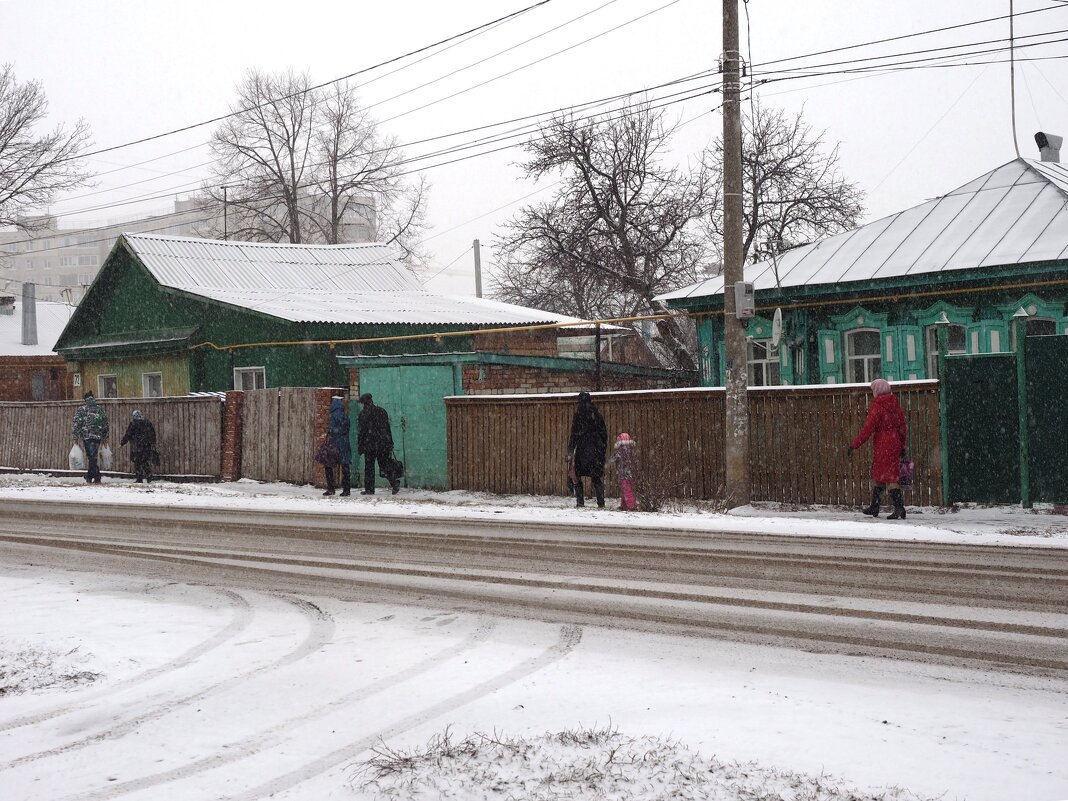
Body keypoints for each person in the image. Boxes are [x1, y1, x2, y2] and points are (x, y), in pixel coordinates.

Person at [849, 378, 909, 520]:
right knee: (882, 474)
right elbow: (903, 427)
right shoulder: (895, 404)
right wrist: (902, 445)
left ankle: (898, 508)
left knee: (888, 476)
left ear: (877, 391)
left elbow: (868, 429)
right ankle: (875, 507)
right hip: (894, 443)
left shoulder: (877, 406)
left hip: (883, 444)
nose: (873, 394)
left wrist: (854, 445)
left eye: (873, 391)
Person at [567, 391, 607, 508]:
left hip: (582, 449)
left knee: (577, 475)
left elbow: (574, 434)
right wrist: (602, 448)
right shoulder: (597, 415)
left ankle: (580, 501)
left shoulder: (578, 415)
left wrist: (571, 449)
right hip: (596, 450)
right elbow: (604, 433)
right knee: (596, 477)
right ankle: (601, 502)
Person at [357, 393, 398, 495]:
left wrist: (360, 444)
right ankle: (394, 483)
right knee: (384, 465)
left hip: (369, 445)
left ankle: (369, 489)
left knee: (369, 467)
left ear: (364, 403)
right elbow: (387, 428)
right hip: (382, 444)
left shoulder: (363, 414)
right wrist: (390, 442)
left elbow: (362, 432)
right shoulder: (381, 411)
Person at [72, 391, 110, 484]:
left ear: (85, 399)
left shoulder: (82, 409)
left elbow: (77, 423)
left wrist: (75, 437)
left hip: (87, 436)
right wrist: (105, 437)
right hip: (97, 436)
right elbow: (105, 423)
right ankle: (93, 476)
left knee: (92, 457)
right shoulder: (99, 409)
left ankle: (92, 476)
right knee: (92, 457)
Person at [324, 396, 351, 497]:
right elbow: (347, 428)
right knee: (345, 467)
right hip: (345, 443)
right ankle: (346, 490)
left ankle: (331, 488)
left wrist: (331, 432)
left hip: (334, 444)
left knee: (328, 466)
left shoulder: (333, 416)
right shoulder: (345, 415)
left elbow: (332, 430)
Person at [120, 410, 156, 483]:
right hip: (146, 446)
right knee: (144, 461)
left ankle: (139, 478)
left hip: (137, 446)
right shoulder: (147, 423)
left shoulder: (133, 424)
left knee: (137, 462)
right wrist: (152, 443)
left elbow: (128, 434)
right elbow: (153, 434)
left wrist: (122, 443)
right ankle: (149, 475)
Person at [608, 432, 639, 511]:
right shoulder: (632, 450)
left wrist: (606, 461)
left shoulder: (620, 451)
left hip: (623, 474)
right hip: (631, 473)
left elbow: (613, 459)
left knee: (626, 490)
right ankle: (625, 505)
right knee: (628, 490)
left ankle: (630, 506)